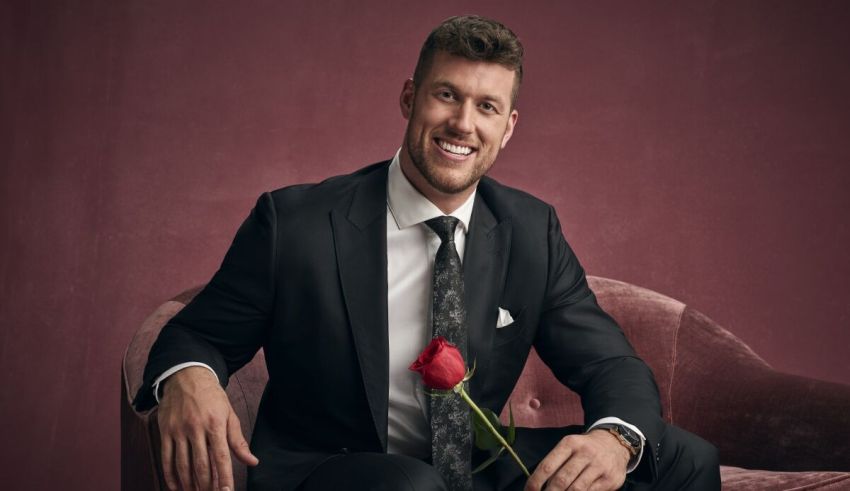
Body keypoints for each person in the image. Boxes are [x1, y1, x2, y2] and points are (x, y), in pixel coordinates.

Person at [135, 15, 720, 491]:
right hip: (332, 469)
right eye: (447, 95)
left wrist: (611, 441)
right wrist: (190, 377)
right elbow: (196, 335)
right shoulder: (296, 222)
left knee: (682, 458)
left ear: (508, 126)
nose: (463, 124)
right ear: (410, 97)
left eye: (487, 107)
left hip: (473, 465)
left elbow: (608, 363)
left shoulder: (530, 228)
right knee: (410, 486)